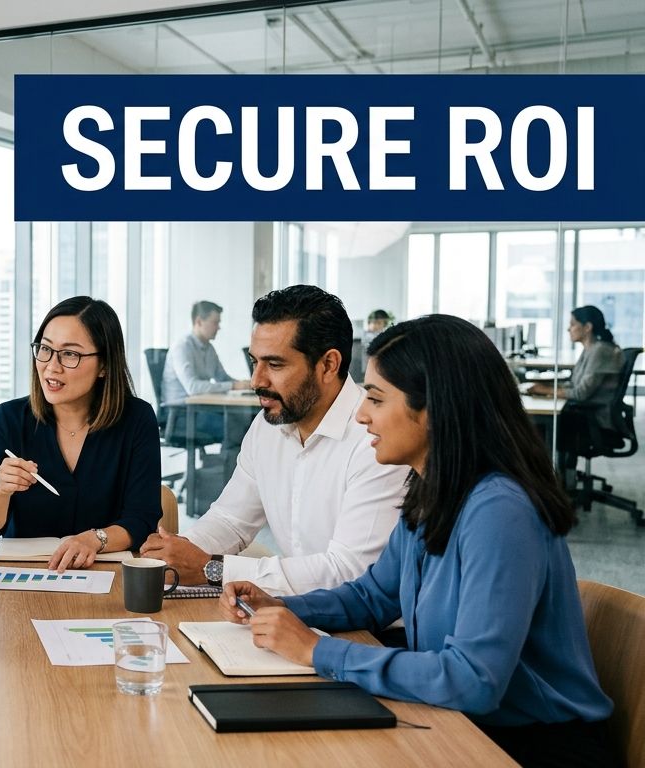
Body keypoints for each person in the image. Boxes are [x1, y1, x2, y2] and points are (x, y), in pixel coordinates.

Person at [219, 314, 617, 768]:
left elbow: (474, 680)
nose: (361, 413)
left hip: (529, 745)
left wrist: (316, 650)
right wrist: (283, 608)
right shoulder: (432, 487)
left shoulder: (501, 511)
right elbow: (373, 596)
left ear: (434, 409)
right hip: (460, 720)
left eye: (375, 398)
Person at [141, 285, 407, 595]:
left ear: (328, 365)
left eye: (275, 365)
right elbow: (230, 520)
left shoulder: (376, 439)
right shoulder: (267, 426)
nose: (256, 381)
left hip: (366, 631)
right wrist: (177, 551)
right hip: (295, 612)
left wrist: (210, 569)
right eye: (255, 362)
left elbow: (349, 572)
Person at [0, 296, 160, 571]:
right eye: (45, 349)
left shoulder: (136, 419)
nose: (51, 366)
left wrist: (95, 539)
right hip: (24, 581)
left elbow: (142, 519)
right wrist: (1, 490)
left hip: (106, 577)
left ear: (104, 365)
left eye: (70, 354)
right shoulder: (9, 419)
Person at [527, 305, 623, 431]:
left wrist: (545, 390)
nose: (568, 329)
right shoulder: (591, 349)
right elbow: (574, 384)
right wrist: (546, 387)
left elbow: (580, 393)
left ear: (587, 327)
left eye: (572, 324)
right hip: (584, 413)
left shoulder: (599, 351)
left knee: (530, 422)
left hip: (592, 419)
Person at [161, 300, 251, 404]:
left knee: (238, 416)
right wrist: (234, 386)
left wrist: (243, 384)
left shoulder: (209, 348)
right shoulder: (182, 347)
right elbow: (193, 387)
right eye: (215, 323)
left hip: (200, 407)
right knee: (233, 418)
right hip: (180, 411)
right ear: (199, 322)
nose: (219, 327)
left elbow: (222, 378)